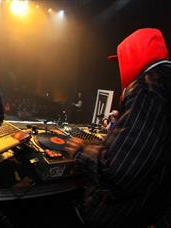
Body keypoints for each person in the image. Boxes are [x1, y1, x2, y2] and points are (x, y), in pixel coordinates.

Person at [66, 28, 171, 227]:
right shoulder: (164, 84)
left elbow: (117, 171)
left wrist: (80, 150)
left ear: (134, 54)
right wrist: (125, 119)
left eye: (121, 60)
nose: (120, 67)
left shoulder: (148, 86)